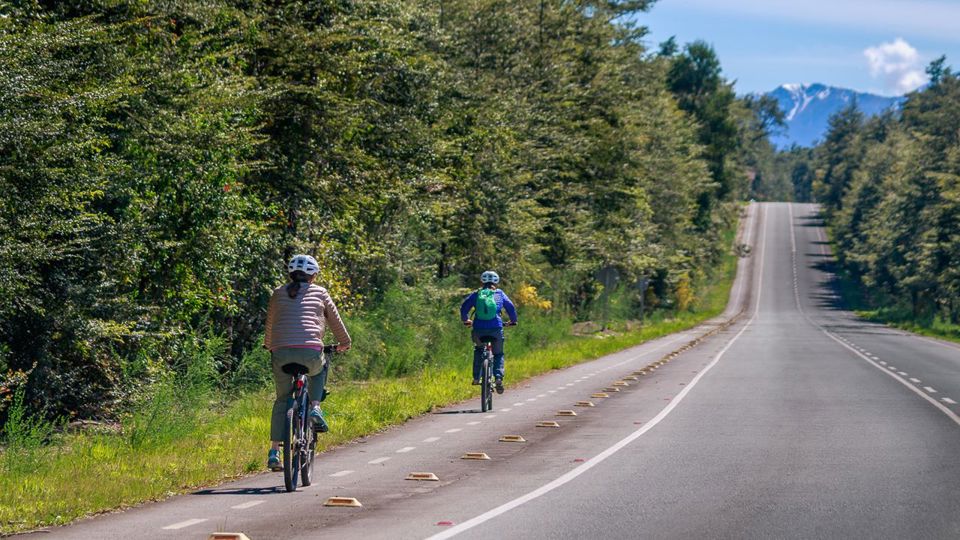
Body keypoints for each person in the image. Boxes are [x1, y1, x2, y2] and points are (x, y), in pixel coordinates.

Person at [263, 254, 351, 471]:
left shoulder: (277, 293)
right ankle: (315, 407)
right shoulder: (320, 292)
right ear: (314, 275)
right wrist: (344, 343)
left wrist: (269, 345)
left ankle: (274, 452)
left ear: (291, 274)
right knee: (320, 368)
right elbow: (335, 321)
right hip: (310, 353)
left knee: (282, 399)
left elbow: (270, 323)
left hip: (281, 353)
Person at [460, 270, 518, 394]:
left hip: (478, 329)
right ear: (496, 282)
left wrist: (466, 320)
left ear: (482, 281)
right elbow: (511, 307)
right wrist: (513, 321)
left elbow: (464, 307)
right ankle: (498, 377)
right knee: (498, 354)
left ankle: (476, 377)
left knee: (479, 350)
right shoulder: (499, 293)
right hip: (496, 328)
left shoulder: (477, 294)